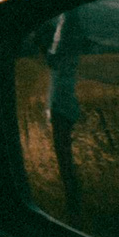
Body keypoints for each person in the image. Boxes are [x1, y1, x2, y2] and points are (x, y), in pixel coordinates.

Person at [46, 12, 87, 223]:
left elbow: (54, 57)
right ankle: (74, 206)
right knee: (65, 157)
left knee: (64, 158)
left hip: (60, 103)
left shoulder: (68, 20)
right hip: (66, 103)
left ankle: (73, 207)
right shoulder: (76, 24)